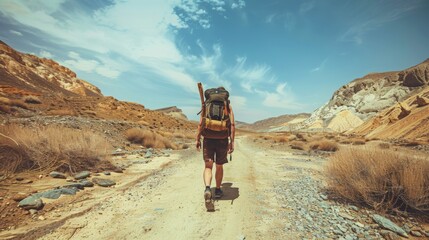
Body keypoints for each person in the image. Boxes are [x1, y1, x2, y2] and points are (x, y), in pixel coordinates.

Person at [196, 87, 235, 202]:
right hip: (222, 139)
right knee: (219, 165)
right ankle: (218, 190)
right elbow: (232, 125)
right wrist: (231, 142)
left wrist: (198, 139)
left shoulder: (206, 105)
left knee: (208, 166)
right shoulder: (228, 107)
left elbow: (201, 124)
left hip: (208, 138)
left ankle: (208, 188)